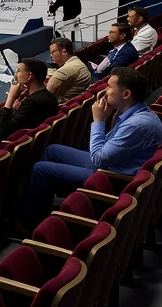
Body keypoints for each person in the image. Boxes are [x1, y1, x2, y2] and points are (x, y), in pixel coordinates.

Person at [17, 67, 162, 228]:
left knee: (40, 169)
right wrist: (106, 118)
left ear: (126, 94)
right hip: (114, 164)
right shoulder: (138, 114)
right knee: (52, 150)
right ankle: (46, 201)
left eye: (109, 87)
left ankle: (31, 222)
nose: (105, 91)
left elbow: (98, 158)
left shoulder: (135, 125)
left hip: (112, 177)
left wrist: (99, 121)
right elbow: (107, 146)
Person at [0, 57, 59, 137]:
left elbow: (3, 132)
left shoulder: (32, 103)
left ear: (30, 75)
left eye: (18, 71)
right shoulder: (50, 96)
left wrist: (10, 98)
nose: (16, 74)